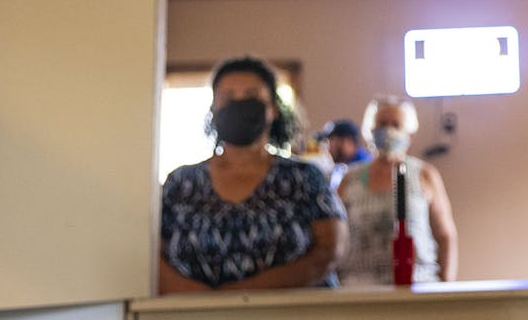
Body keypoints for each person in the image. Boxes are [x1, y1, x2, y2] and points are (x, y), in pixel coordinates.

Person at [159, 56, 348, 293]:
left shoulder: (304, 177)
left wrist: (242, 297)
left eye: (251, 96)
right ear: (214, 109)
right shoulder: (181, 182)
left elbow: (330, 251)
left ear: (274, 109)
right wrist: (204, 303)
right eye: (227, 98)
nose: (239, 105)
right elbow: (153, 258)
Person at [336, 96, 458, 284]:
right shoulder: (350, 179)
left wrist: (445, 286)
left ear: (409, 134)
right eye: (382, 124)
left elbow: (445, 236)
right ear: (370, 130)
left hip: (418, 285)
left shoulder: (425, 175)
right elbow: (335, 236)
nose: (388, 130)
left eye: (396, 125)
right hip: (360, 287)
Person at [318, 118, 371, 191]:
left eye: (331, 141)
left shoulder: (365, 168)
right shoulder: (340, 168)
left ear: (348, 141)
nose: (328, 149)